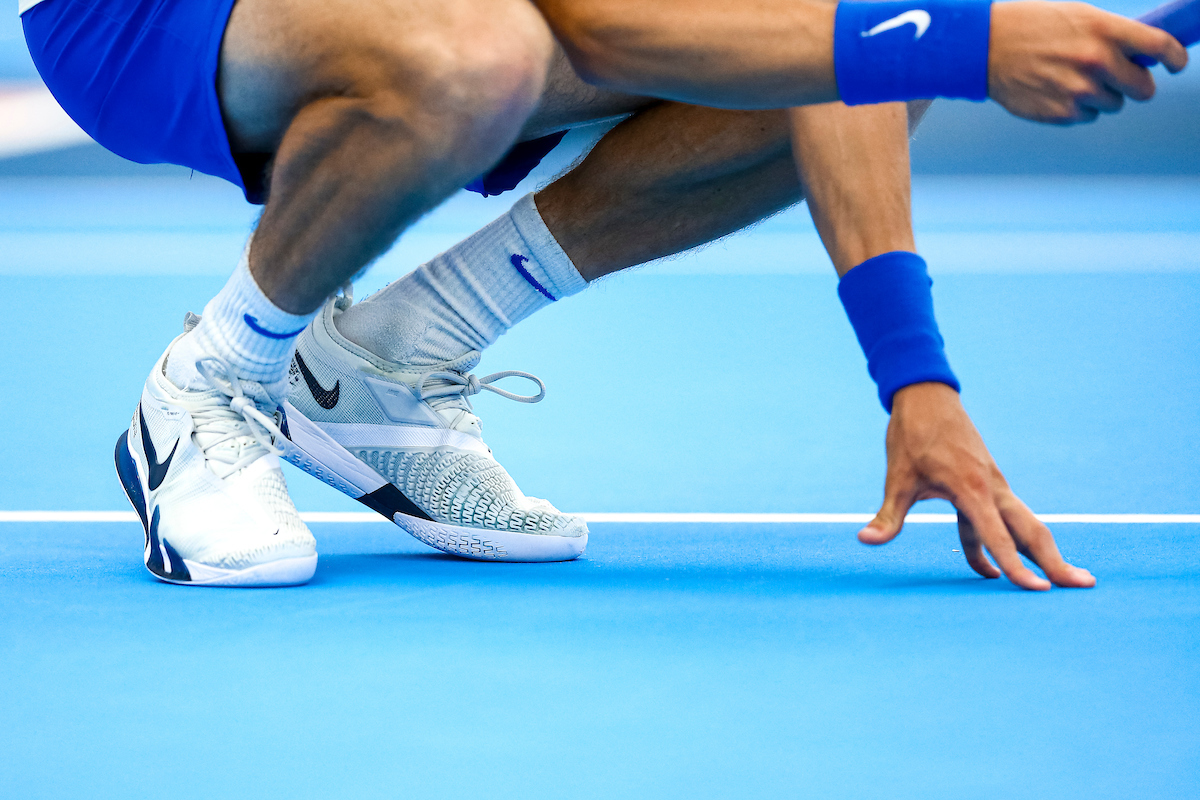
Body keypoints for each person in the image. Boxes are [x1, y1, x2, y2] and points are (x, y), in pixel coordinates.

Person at [19, 0, 1186, 589]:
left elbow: (850, 47)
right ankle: (216, 376)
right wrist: (975, 40)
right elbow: (594, 24)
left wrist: (918, 382)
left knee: (843, 54)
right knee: (477, 56)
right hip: (152, 19)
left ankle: (382, 364)